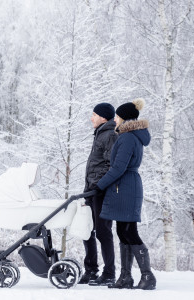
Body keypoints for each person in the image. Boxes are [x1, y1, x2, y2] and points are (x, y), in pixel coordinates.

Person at [95, 98, 156, 290]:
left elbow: (119, 167)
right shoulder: (130, 136)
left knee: (129, 231)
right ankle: (126, 277)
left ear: (124, 118)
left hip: (126, 187)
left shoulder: (128, 137)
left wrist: (100, 185)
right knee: (123, 230)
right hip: (125, 186)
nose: (116, 120)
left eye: (118, 116)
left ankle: (148, 276)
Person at [78, 103, 118, 286]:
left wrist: (99, 186)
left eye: (94, 114)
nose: (90, 118)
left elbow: (112, 164)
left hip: (101, 191)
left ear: (103, 117)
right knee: (87, 229)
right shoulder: (100, 134)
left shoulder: (109, 135)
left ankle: (109, 273)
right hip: (92, 190)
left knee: (103, 231)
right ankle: (91, 270)